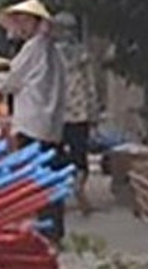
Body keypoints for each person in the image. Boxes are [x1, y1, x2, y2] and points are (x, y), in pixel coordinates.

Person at [0, 0, 69, 243]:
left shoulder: (34, 48)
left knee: (37, 177)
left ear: (35, 22)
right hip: (50, 124)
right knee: (49, 175)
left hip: (33, 122)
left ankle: (46, 232)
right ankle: (53, 230)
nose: (19, 26)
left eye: (24, 20)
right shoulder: (51, 50)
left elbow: (13, 80)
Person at [53, 11, 99, 215]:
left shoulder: (50, 54)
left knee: (56, 155)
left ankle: (59, 195)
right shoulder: (82, 53)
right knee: (80, 154)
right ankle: (79, 187)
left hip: (57, 113)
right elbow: (90, 86)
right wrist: (94, 112)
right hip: (79, 112)